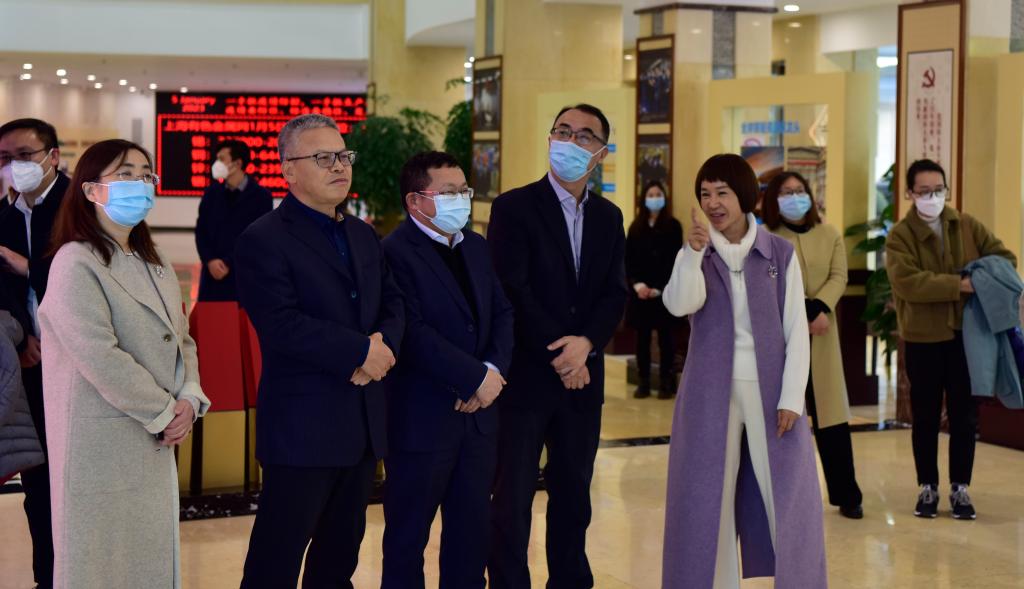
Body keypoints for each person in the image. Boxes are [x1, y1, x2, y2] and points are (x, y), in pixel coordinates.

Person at [235, 113, 404, 588]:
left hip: (361, 425)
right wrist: (359, 352)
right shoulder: (262, 238)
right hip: (301, 430)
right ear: (288, 169)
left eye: (343, 156)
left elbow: (394, 303)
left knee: (338, 560)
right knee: (275, 563)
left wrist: (382, 349)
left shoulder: (363, 234)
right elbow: (281, 324)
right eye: (323, 158)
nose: (339, 167)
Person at [38, 139, 211, 587]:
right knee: (101, 564)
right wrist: (164, 410)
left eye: (146, 174)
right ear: (91, 189)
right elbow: (99, 354)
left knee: (147, 561)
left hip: (154, 436)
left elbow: (182, 338)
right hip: (103, 441)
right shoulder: (75, 262)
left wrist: (189, 397)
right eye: (125, 174)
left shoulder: (155, 260)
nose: (140, 183)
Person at [661, 154, 826, 588]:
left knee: (787, 495)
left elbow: (796, 330)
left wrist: (792, 397)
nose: (713, 203)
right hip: (708, 391)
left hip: (771, 392)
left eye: (722, 193)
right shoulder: (698, 251)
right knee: (707, 496)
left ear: (746, 196)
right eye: (705, 194)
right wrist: (692, 254)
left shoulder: (779, 253)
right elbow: (679, 304)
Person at [488, 103, 628, 588]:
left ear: (601, 153)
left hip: (582, 381)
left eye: (584, 135)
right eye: (563, 131)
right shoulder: (514, 208)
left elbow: (614, 292)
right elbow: (513, 290)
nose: (570, 141)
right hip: (527, 378)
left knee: (574, 496)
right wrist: (564, 354)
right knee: (512, 498)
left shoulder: (609, 217)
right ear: (550, 139)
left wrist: (586, 344)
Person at [380, 151, 514, 589]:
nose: (461, 200)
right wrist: (473, 378)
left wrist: (491, 372)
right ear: (415, 200)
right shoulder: (394, 252)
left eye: (464, 191)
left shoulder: (475, 245)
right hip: (422, 421)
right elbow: (412, 332)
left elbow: (502, 312)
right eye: (449, 192)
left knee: (470, 539)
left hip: (477, 423)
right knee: (407, 541)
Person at [886, 158, 1016, 520]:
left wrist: (980, 278)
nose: (932, 197)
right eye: (924, 191)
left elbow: (1005, 259)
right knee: (925, 416)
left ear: (947, 189)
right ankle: (927, 486)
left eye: (938, 189)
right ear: (910, 193)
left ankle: (961, 488)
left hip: (966, 337)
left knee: (964, 415)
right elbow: (907, 283)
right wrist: (958, 284)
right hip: (922, 338)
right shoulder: (900, 235)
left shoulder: (967, 225)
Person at [762, 171, 864, 520]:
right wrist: (803, 310)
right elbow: (768, 282)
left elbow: (839, 276)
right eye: (786, 192)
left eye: (799, 190)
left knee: (831, 418)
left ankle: (847, 493)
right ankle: (782, 496)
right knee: (784, 415)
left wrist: (820, 307)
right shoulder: (767, 237)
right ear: (774, 199)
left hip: (822, 333)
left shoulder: (829, 233)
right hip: (782, 336)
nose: (795, 197)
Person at [0, 117, 69, 588]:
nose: (15, 166)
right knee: (40, 489)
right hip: (31, 364)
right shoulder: (3, 216)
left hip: (81, 365)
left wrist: (27, 267)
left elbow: (93, 276)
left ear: (52, 157)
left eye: (25, 155)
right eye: (6, 158)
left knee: (79, 485)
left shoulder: (80, 209)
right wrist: (22, 337)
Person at [625, 179, 683, 399]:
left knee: (666, 339)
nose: (655, 198)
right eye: (651, 195)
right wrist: (638, 285)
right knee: (642, 339)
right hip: (640, 293)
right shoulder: (636, 227)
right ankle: (644, 382)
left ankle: (666, 382)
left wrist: (659, 288)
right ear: (643, 199)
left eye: (658, 194)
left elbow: (675, 260)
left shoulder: (673, 226)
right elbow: (628, 260)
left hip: (664, 292)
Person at [195, 139, 273, 302]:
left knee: (240, 318)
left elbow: (258, 239)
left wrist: (228, 262)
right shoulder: (211, 193)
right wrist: (210, 260)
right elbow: (201, 231)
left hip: (243, 277)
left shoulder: (261, 197)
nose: (217, 164)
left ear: (237, 163)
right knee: (211, 317)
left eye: (222, 159)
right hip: (212, 276)